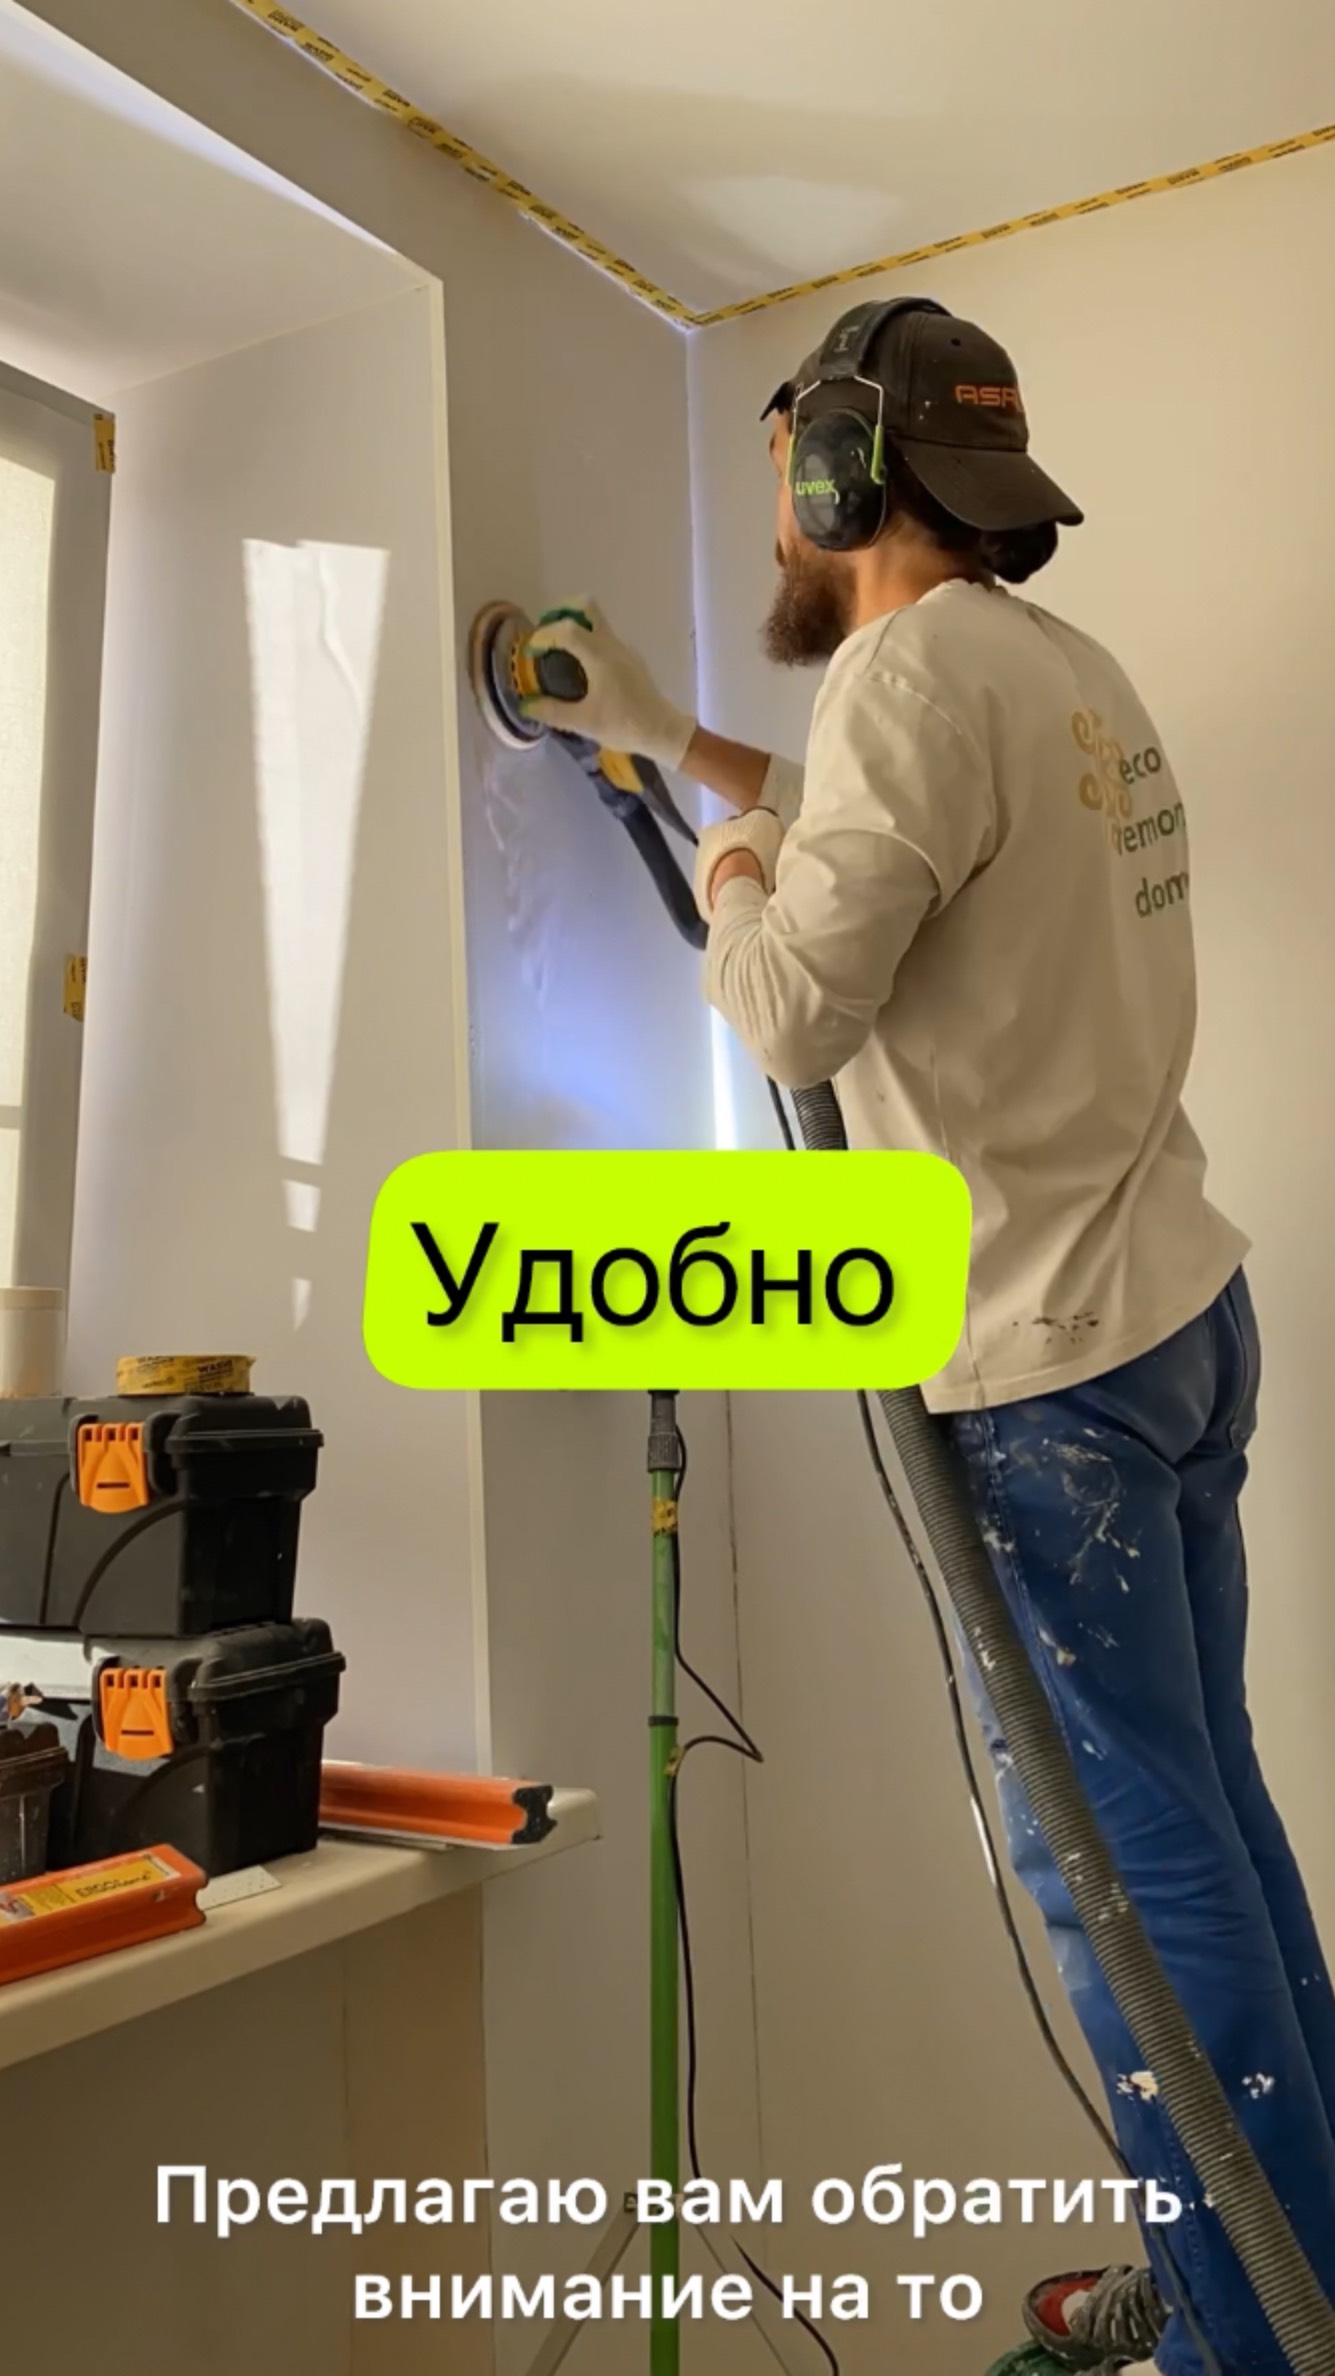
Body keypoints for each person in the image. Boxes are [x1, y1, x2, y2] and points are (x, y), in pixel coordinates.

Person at [519, 295, 1335, 2376]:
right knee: (1211, 1828)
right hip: (1170, 1315)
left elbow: (797, 1002)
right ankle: (1300, 2277)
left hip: (1047, 1373)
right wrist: (672, 734)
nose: (773, 526)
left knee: (1126, 1878)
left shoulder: (903, 673)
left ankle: (1252, 2345)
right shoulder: (1052, 666)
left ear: (834, 470)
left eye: (779, 478)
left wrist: (720, 860)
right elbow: (886, 823)